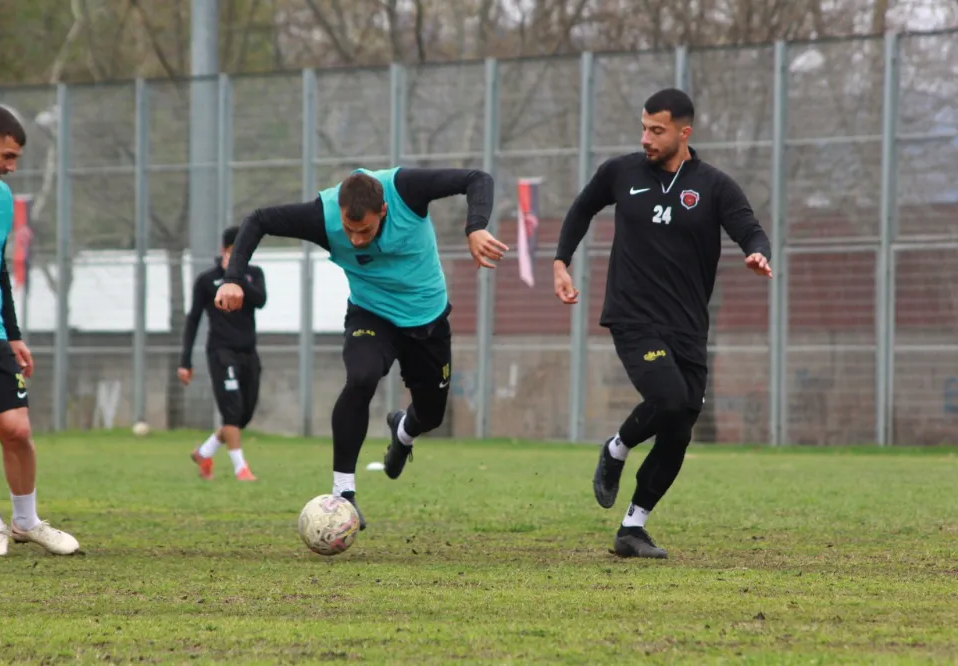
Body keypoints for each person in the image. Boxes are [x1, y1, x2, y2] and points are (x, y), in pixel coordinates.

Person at [215, 166, 504, 529]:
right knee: (361, 377)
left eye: (364, 230)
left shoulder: (405, 191)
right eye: (349, 230)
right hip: (372, 315)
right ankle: (343, 494)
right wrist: (233, 279)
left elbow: (477, 178)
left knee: (430, 415)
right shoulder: (323, 217)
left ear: (383, 211)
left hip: (426, 319)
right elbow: (258, 220)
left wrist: (475, 226)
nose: (354, 239)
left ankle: (403, 433)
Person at [553, 88, 772, 559]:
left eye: (657, 130)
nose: (646, 138)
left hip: (689, 326)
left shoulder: (714, 186)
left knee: (680, 426)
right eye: (644, 128)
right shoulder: (620, 172)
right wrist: (560, 261)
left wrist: (758, 252)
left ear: (683, 132)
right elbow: (582, 208)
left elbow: (748, 227)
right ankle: (616, 447)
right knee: (669, 399)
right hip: (633, 316)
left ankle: (633, 528)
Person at [0, 106, 79, 557]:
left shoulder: (3, 198)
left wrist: (13, 333)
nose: (11, 167)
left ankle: (26, 522)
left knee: (17, 430)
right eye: (7, 156)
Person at [179, 225, 266, 482]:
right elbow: (193, 319)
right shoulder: (206, 280)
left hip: (248, 351)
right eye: (235, 250)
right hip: (220, 352)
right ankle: (241, 468)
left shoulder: (254, 274)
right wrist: (185, 361)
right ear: (224, 250)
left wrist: (235, 277)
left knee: (243, 415)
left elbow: (260, 300)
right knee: (231, 411)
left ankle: (204, 453)